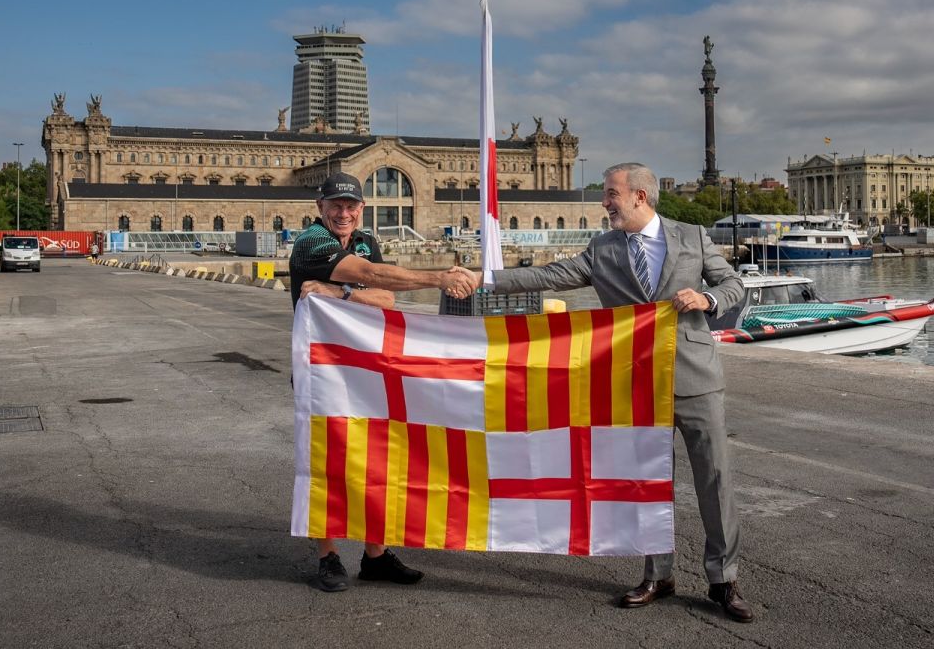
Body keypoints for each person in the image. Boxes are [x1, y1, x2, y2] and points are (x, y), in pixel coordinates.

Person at [462, 162, 755, 622]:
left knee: (715, 482)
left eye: (611, 194)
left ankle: (724, 581)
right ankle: (658, 575)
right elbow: (551, 276)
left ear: (640, 196)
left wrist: (708, 299)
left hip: (696, 379)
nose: (605, 202)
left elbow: (734, 285)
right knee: (647, 486)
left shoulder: (693, 236)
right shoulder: (602, 248)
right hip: (635, 384)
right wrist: (488, 278)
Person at [290, 172, 476, 593]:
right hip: (322, 371)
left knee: (375, 460)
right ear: (320, 208)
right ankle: (329, 556)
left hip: (365, 371)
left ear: (361, 208)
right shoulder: (311, 242)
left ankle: (375, 556)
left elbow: (385, 297)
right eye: (335, 205)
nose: (344, 212)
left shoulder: (365, 239)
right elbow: (372, 275)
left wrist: (340, 294)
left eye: (351, 205)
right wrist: (438, 278)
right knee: (328, 462)